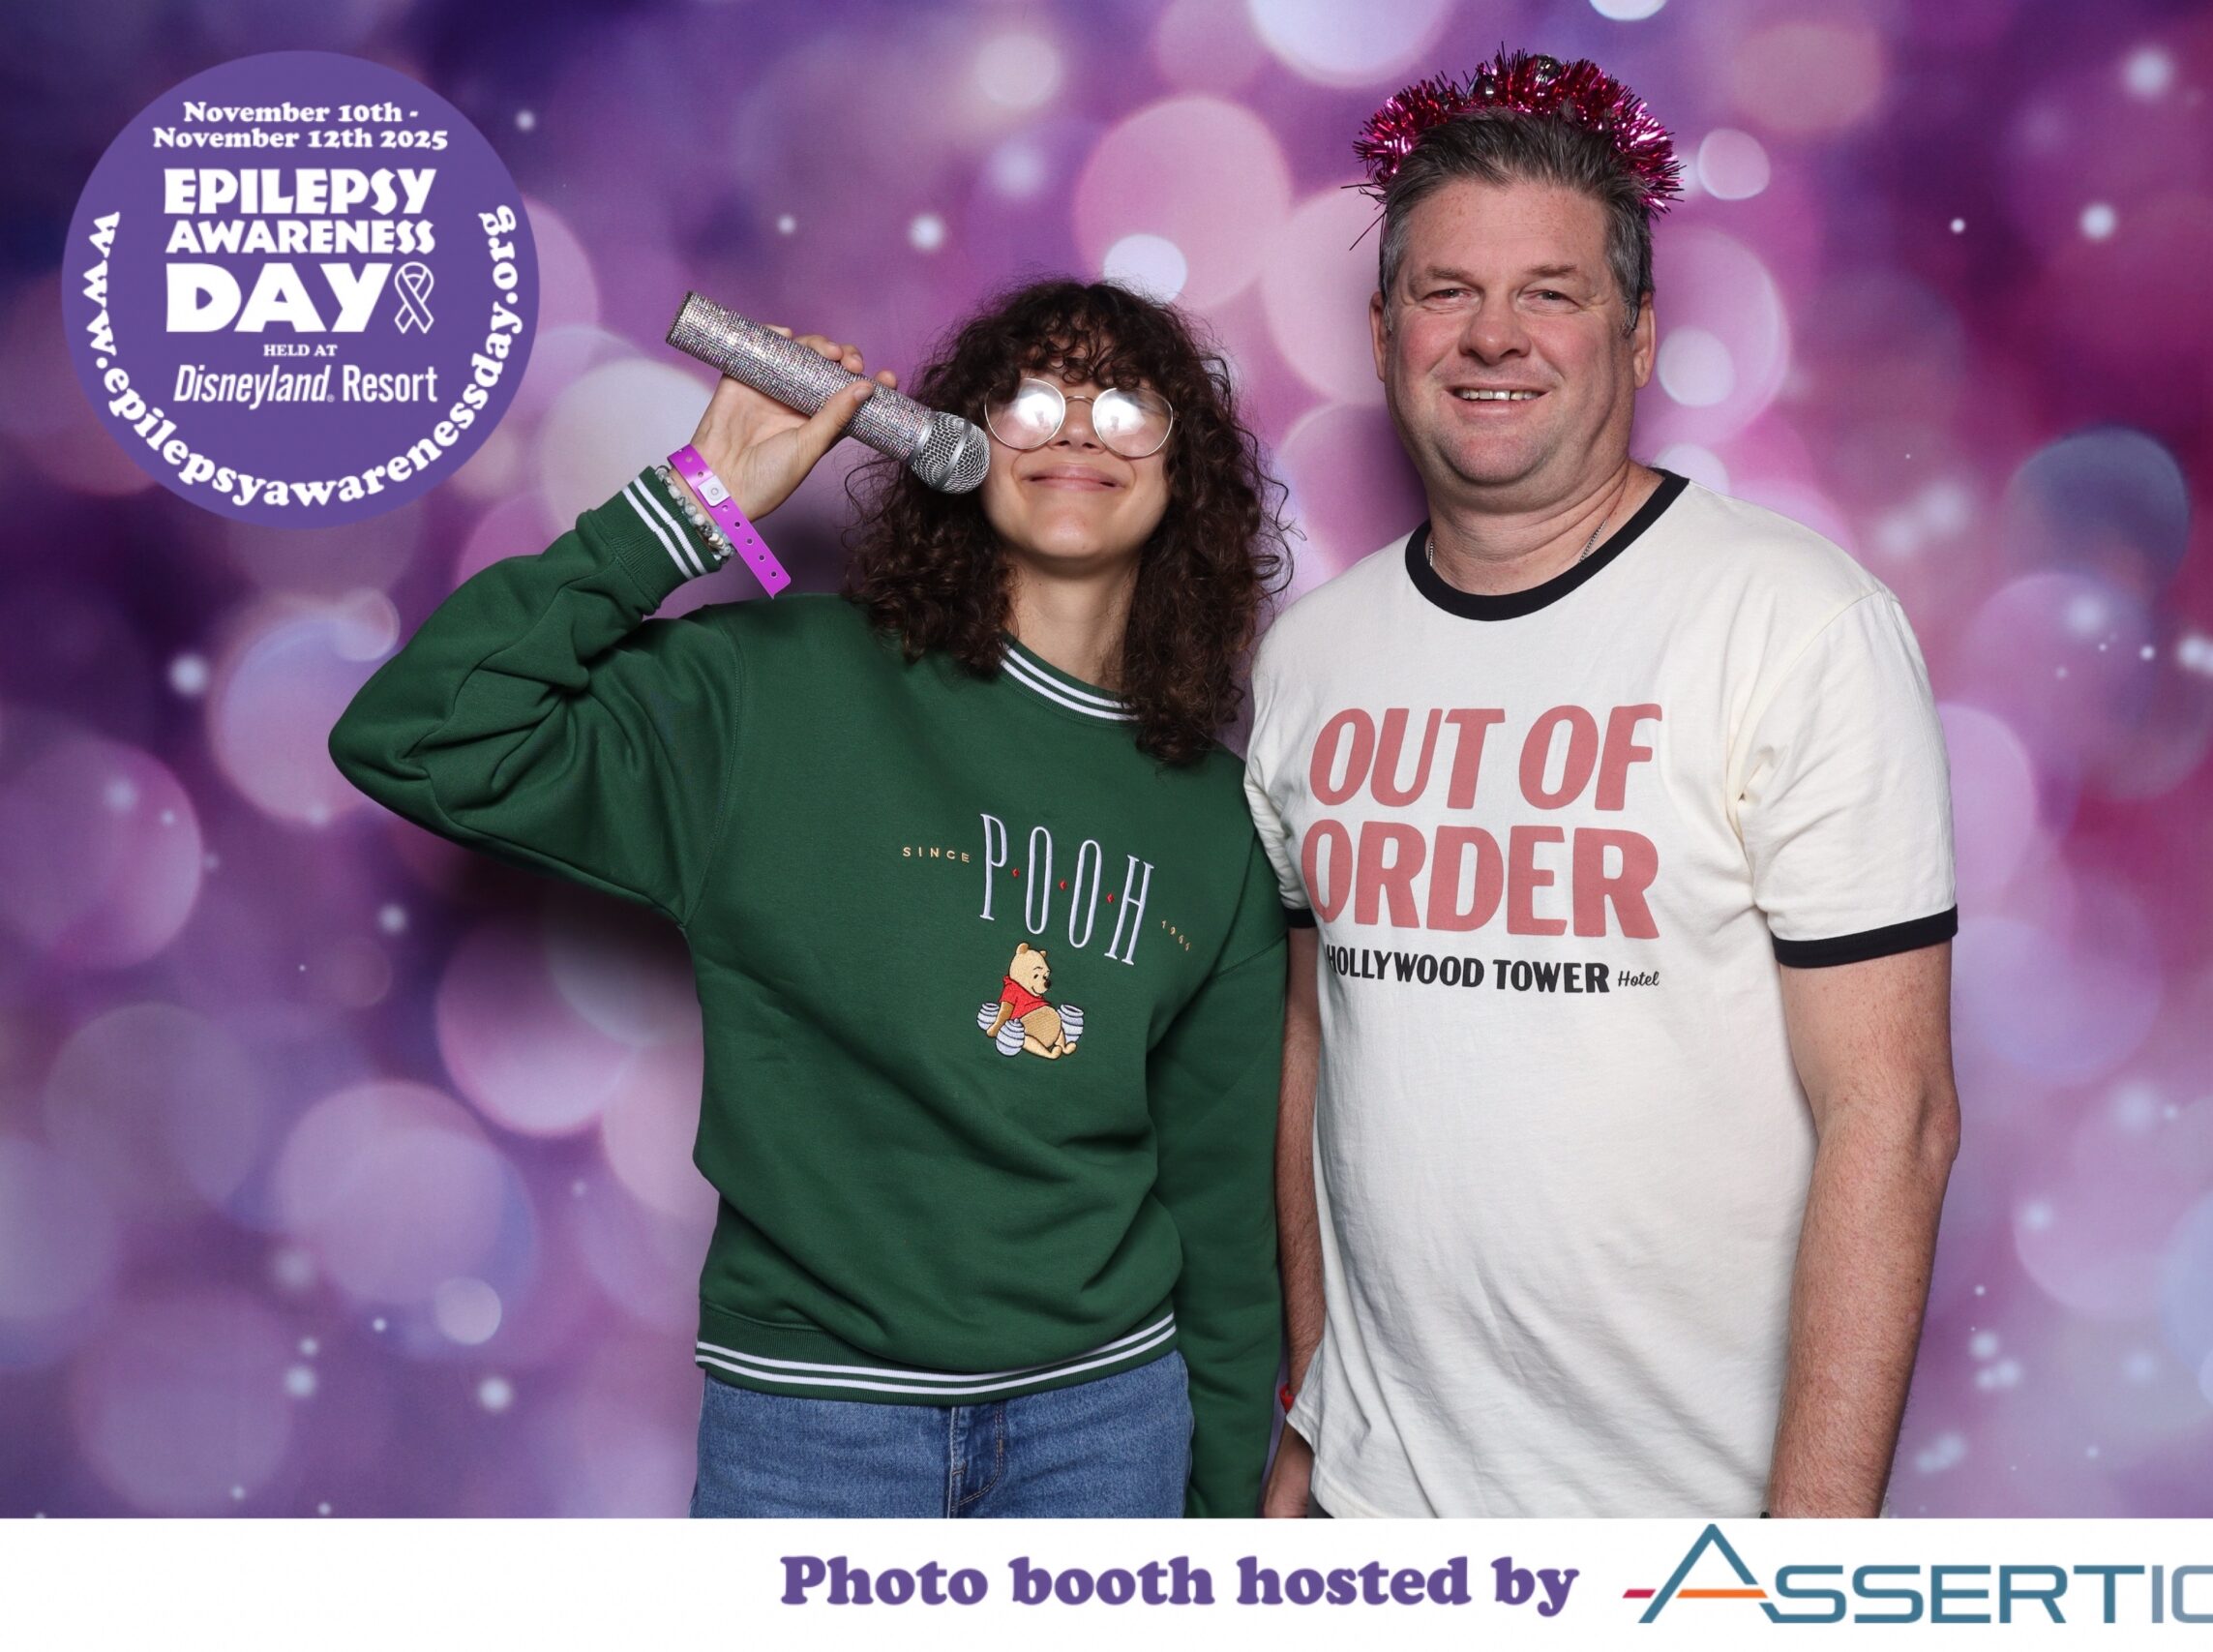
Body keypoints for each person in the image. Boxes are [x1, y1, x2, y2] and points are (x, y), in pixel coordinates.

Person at [330, 278, 1294, 1517]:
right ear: (955, 448)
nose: (1074, 428)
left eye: (1124, 407)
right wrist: (695, 500)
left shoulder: (1214, 824)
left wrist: (1215, 1530)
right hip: (812, 1424)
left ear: (1184, 475)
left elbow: (1220, 1208)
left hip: (1106, 1428)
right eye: (1033, 399)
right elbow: (419, 736)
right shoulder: (775, 693)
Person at [1247, 52, 1962, 1518]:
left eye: (1551, 293)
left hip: (1682, 1527)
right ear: (1382, 333)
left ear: (1636, 340)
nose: (1491, 335)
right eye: (1446, 290)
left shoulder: (1794, 626)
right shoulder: (1311, 659)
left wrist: (1801, 1579)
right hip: (1374, 1519)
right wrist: (1313, 1416)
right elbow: (1320, 1044)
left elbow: (1892, 1116)